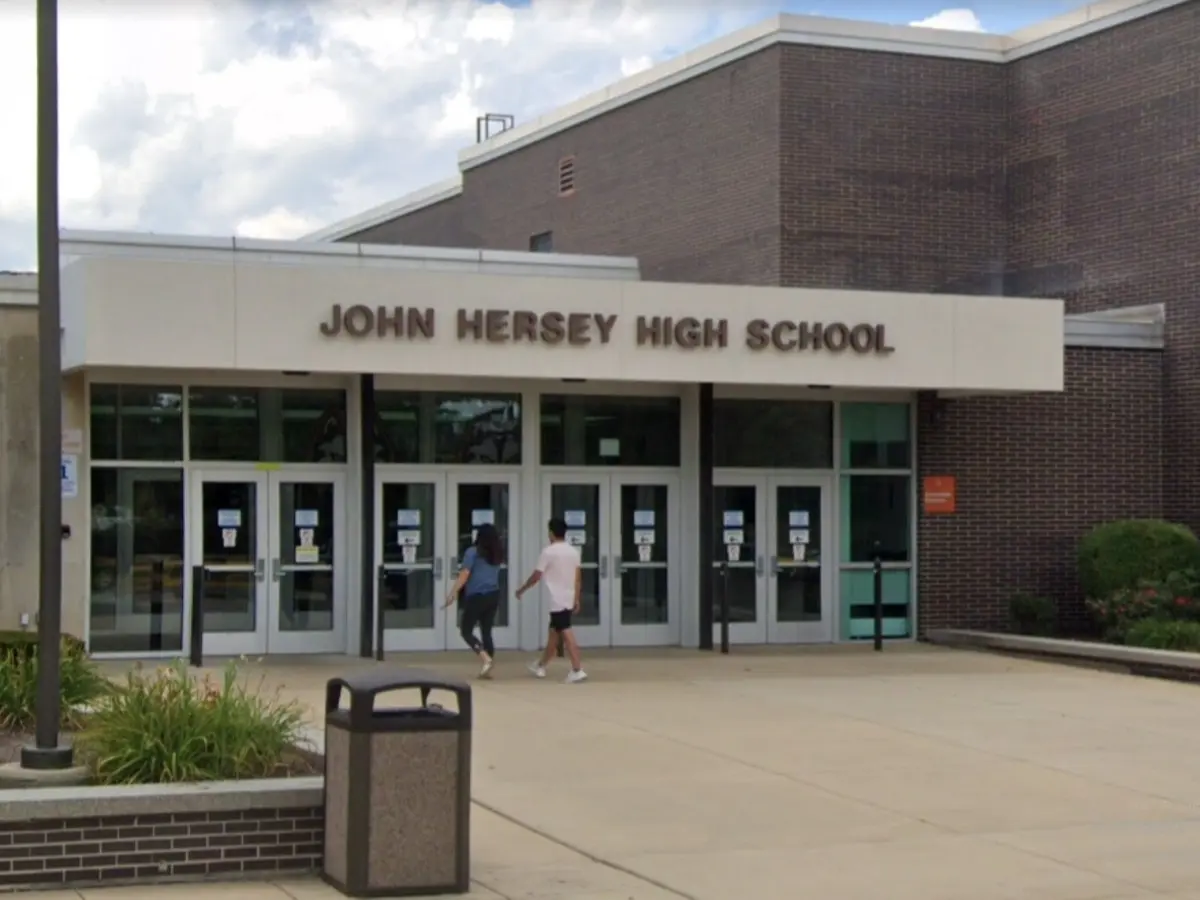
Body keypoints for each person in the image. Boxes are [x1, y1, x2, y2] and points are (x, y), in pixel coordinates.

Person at [516, 517, 588, 683]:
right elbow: (577, 578)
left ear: (551, 533)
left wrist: (522, 589)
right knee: (553, 636)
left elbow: (536, 576)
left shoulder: (548, 552)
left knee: (566, 633)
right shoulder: (573, 552)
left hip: (557, 600)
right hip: (568, 599)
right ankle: (540, 665)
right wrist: (577, 598)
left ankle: (577, 669)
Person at [445, 523, 503, 679]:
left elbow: (464, 574)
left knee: (466, 630)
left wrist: (453, 592)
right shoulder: (497, 554)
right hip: (493, 594)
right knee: (486, 631)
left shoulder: (472, 552)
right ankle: (488, 666)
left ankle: (485, 659)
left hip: (477, 595)